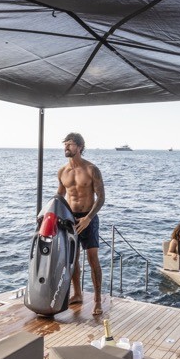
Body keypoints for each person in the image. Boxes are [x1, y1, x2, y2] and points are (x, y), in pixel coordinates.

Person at [57, 132, 105, 315]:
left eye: (69, 144)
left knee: (93, 259)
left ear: (79, 146)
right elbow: (60, 195)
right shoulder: (62, 172)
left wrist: (88, 218)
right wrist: (50, 214)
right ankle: (77, 294)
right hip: (70, 219)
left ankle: (97, 300)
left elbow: (101, 197)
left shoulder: (92, 169)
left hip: (89, 218)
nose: (66, 147)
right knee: (73, 259)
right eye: (65, 144)